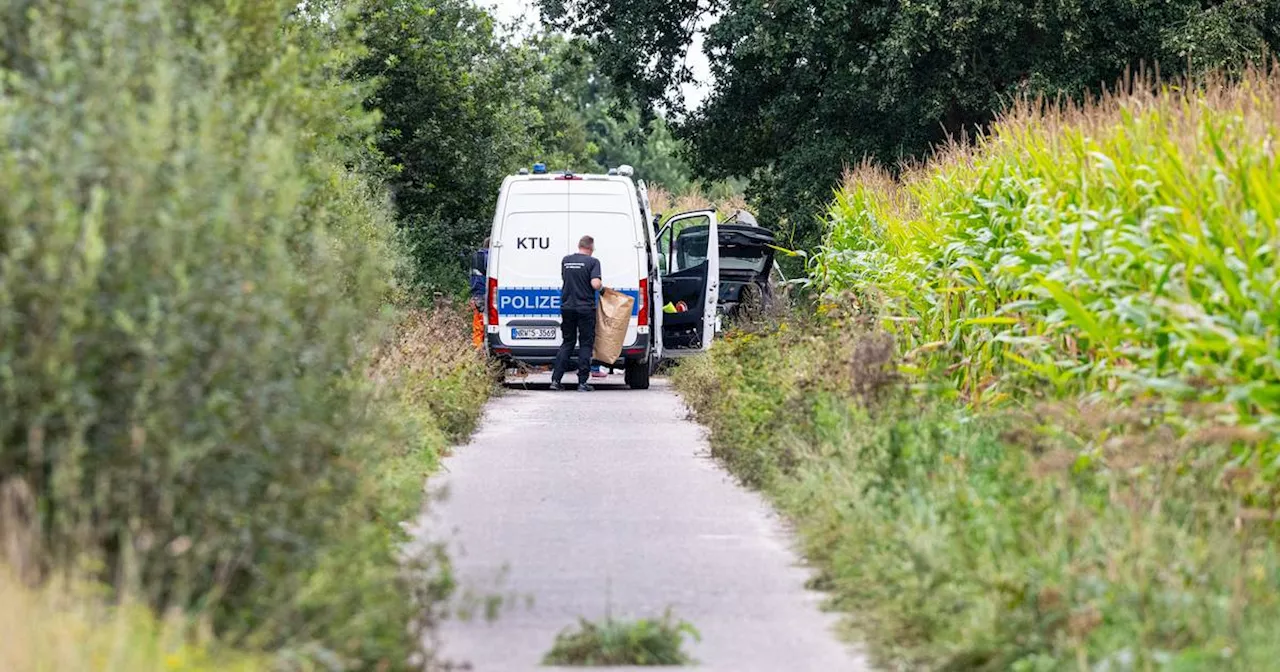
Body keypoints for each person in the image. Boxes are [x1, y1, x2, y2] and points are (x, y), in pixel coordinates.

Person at [551, 235, 602, 391]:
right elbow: (595, 284)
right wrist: (601, 286)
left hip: (567, 307)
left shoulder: (566, 261)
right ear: (591, 248)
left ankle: (556, 380)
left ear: (579, 245)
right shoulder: (593, 262)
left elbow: (564, 279)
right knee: (586, 344)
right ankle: (582, 382)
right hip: (585, 308)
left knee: (567, 342)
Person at [468, 237, 490, 349]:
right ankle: (482, 350)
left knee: (478, 324)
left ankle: (477, 348)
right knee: (486, 323)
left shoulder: (475, 256)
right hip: (485, 293)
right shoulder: (489, 257)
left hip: (475, 293)